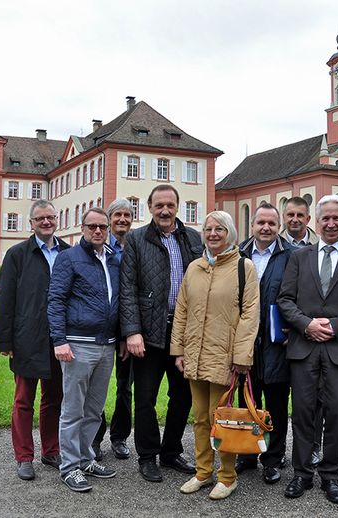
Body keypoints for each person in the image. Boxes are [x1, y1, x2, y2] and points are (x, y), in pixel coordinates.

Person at [278, 194, 338, 504]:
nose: (331, 223)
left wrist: (334, 326)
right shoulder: (299, 257)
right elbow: (285, 300)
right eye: (326, 218)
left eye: (337, 218)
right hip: (304, 346)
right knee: (303, 412)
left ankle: (331, 476)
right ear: (316, 222)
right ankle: (302, 473)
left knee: (336, 414)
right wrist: (307, 324)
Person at [171, 210, 259, 500]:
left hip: (225, 356)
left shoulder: (244, 267)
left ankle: (227, 476)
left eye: (219, 229)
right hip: (195, 354)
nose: (212, 234)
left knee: (221, 418)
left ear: (229, 233)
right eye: (208, 229)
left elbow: (250, 314)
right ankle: (203, 471)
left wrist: (242, 356)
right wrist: (178, 350)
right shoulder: (194, 267)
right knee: (200, 418)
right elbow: (182, 311)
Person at [120, 184, 203, 482]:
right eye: (159, 206)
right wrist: (132, 331)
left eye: (170, 205)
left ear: (177, 207)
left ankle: (170, 452)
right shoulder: (136, 239)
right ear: (150, 208)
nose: (165, 211)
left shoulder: (193, 238)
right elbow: (127, 287)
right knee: (145, 398)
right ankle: (147, 455)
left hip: (184, 333)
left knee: (182, 396)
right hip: (148, 332)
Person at [0, 200, 70, 481]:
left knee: (54, 399)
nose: (46, 222)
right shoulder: (17, 254)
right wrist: (4, 340)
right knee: (24, 400)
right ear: (32, 223)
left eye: (50, 217)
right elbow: (6, 298)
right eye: (40, 219)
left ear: (56, 219)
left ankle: (51, 450)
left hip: (59, 338)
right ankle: (24, 456)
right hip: (26, 337)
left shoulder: (68, 253)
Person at [48, 207, 121, 493]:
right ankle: (69, 467)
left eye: (102, 226)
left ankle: (85, 458)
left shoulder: (113, 259)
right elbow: (55, 300)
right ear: (83, 229)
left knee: (94, 409)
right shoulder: (69, 258)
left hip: (106, 344)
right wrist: (59, 340)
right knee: (73, 410)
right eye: (92, 226)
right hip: (78, 344)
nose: (98, 231)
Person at [236, 203, 294, 484]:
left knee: (276, 404)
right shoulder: (238, 253)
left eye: (272, 223)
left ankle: (272, 458)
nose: (266, 228)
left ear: (279, 226)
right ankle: (247, 455)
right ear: (253, 225)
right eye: (261, 222)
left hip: (277, 342)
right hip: (245, 341)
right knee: (247, 400)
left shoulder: (291, 255)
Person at [278, 195, 324, 468]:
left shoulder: (319, 248)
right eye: (290, 215)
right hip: (280, 333)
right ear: (284, 218)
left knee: (313, 398)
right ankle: (277, 450)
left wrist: (307, 326)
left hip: (310, 332)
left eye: (300, 215)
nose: (294, 220)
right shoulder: (275, 246)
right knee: (279, 395)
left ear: (308, 219)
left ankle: (312, 447)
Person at [93, 199, 134, 461]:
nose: (122, 219)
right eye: (117, 214)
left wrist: (129, 332)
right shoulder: (98, 246)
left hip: (128, 328)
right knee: (96, 386)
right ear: (109, 219)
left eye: (127, 215)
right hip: (102, 327)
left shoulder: (136, 246)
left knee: (125, 387)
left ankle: (119, 437)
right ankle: (95, 437)